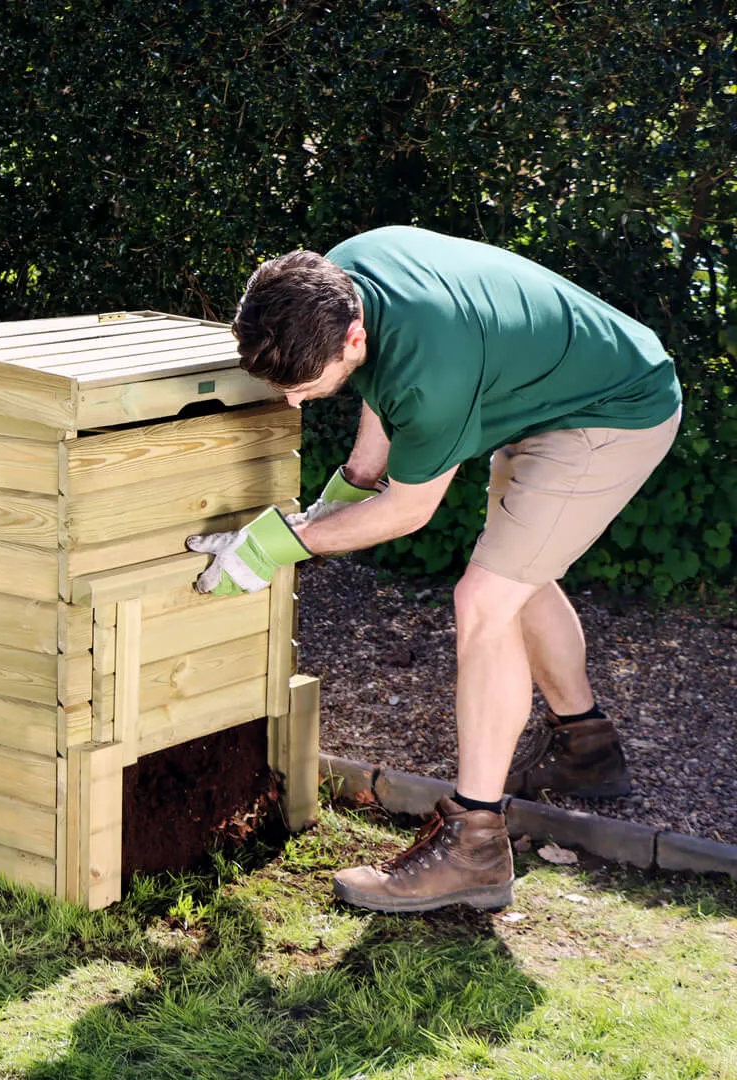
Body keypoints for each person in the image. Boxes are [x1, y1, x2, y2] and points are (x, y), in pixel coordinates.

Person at [185, 226, 682, 913]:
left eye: (303, 386)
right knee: (517, 573)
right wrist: (333, 502)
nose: (294, 402)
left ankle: (474, 845)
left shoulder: (433, 370)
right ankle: (587, 747)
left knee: (485, 598)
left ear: (351, 339)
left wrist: (278, 545)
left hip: (613, 411)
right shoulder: (340, 276)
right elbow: (381, 408)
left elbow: (407, 511)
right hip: (556, 386)